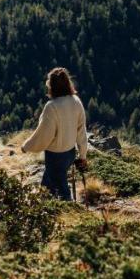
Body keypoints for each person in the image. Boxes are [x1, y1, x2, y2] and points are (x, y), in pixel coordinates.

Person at [20, 67, 89, 201]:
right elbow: (81, 131)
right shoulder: (76, 101)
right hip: (70, 153)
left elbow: (44, 134)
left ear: (51, 86)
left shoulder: (52, 106)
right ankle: (43, 205)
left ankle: (69, 213)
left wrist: (26, 146)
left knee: (61, 189)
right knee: (48, 182)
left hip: (55, 155)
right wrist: (83, 155)